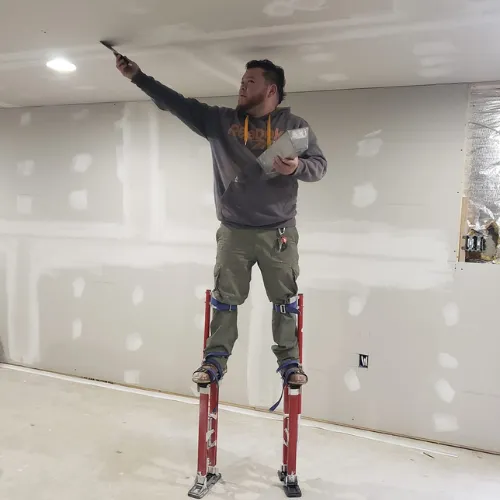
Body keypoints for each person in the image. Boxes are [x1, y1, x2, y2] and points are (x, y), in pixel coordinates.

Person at [116, 54, 327, 388]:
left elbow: (319, 165)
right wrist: (139, 77)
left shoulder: (295, 128)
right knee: (225, 299)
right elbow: (176, 103)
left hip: (279, 233)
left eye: (249, 83)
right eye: (241, 82)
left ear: (271, 89)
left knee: (284, 300)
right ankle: (215, 360)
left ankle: (289, 361)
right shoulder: (220, 122)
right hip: (234, 232)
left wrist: (297, 168)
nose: (241, 88)